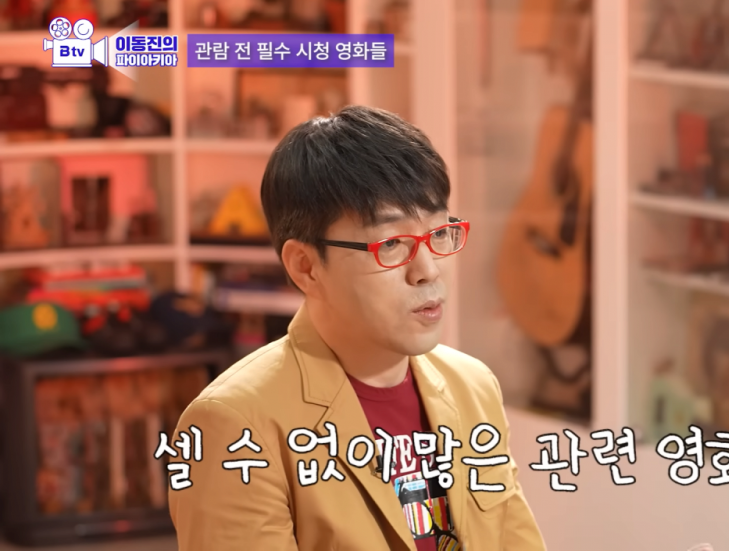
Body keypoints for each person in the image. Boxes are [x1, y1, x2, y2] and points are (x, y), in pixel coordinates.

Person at [167, 105, 547, 550]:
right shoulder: (234, 425)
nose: (428, 270)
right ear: (306, 266)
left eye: (440, 233)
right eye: (392, 243)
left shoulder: (472, 386)